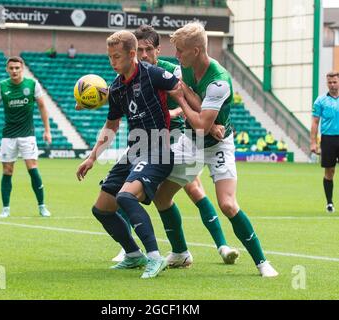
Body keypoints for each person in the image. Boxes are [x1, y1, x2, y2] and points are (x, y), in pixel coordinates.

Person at [153, 22, 278, 277]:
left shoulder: (219, 82)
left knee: (228, 204)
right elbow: (157, 67)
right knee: (161, 197)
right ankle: (180, 252)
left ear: (196, 50)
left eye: (180, 51)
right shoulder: (183, 68)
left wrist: (179, 96)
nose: (176, 56)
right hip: (191, 144)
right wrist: (183, 89)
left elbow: (200, 124)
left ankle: (262, 262)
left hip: (218, 146)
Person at [111, 24, 239, 266]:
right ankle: (129, 248)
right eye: (139, 50)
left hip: (175, 135)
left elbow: (189, 98)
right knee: (129, 185)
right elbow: (119, 95)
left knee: (193, 189)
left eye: (149, 49)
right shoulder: (130, 74)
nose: (144, 55)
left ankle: (221, 245)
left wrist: (204, 124)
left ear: (159, 51)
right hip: (147, 139)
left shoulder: (170, 71)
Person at [76, 30, 183, 279]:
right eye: (110, 57)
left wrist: (197, 116)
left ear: (132, 54)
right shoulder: (116, 88)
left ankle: (155, 257)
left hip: (157, 147)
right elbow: (112, 125)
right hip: (134, 150)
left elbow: (180, 89)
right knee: (101, 208)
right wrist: (92, 157)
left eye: (116, 57)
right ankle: (134, 254)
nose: (112, 62)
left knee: (125, 196)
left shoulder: (152, 73)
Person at [0, 56, 52, 218]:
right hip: (9, 136)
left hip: (28, 135)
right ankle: (5, 208)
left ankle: (42, 206)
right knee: (7, 170)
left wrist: (47, 130)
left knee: (32, 168)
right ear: (7, 69)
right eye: (11, 68)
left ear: (22, 69)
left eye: (17, 68)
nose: (14, 71)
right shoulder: (2, 86)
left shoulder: (32, 85)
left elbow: (42, 106)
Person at [311, 71, 339, 213]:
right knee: (330, 170)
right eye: (330, 82)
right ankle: (329, 203)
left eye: (334, 82)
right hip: (328, 139)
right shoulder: (320, 101)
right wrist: (313, 143)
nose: (332, 85)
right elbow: (315, 122)